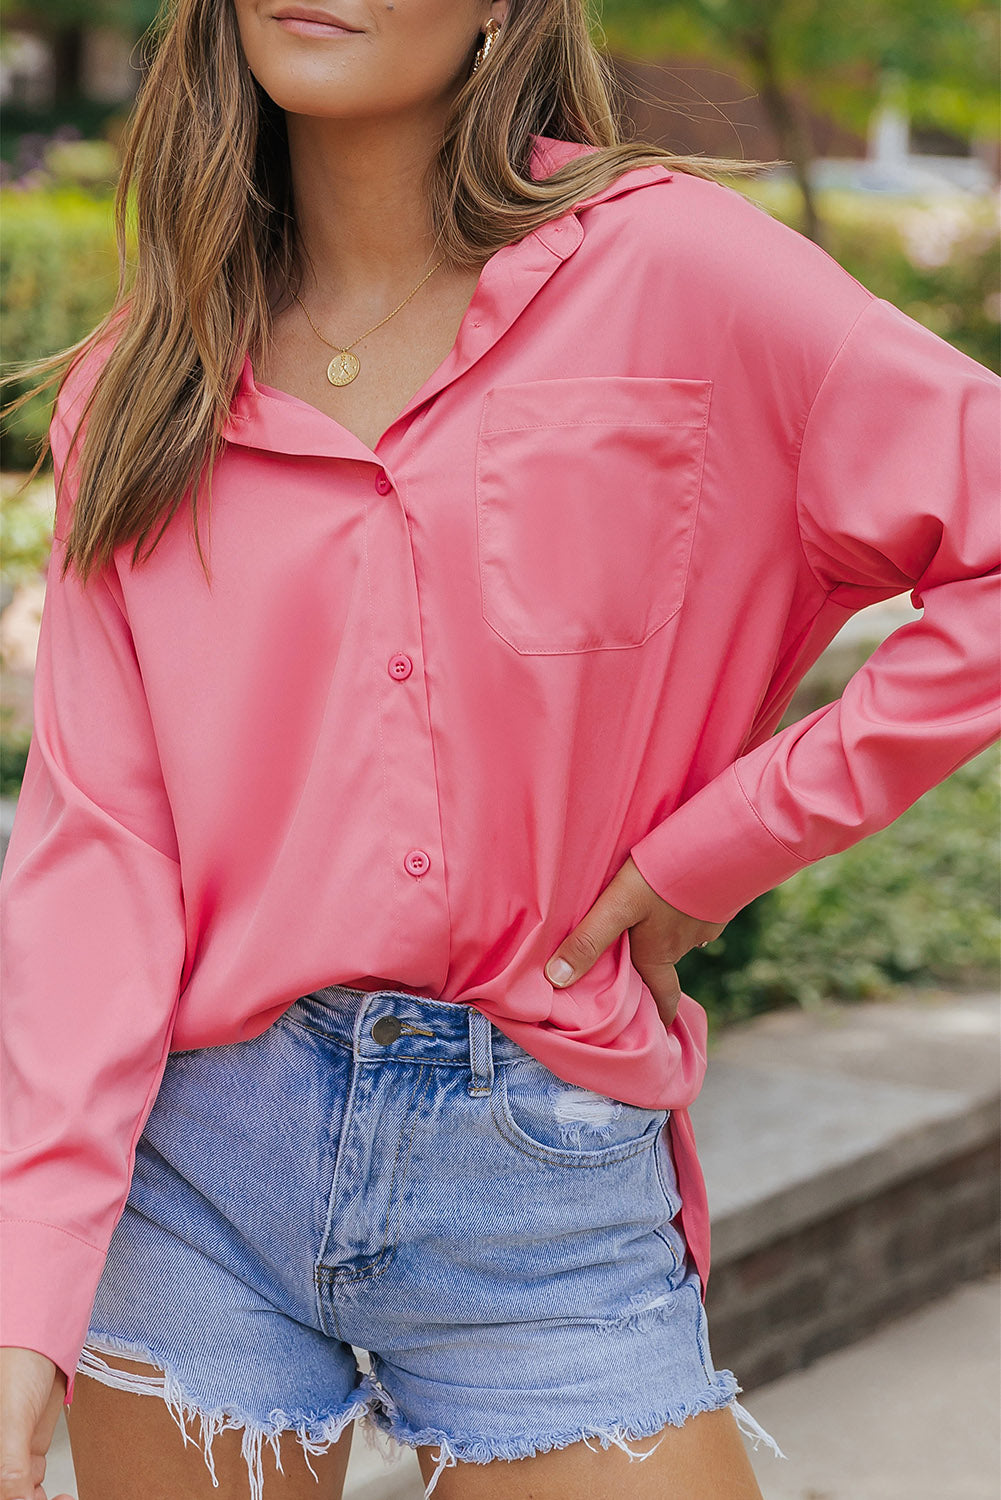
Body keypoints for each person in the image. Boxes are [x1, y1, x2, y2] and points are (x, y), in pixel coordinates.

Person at [1, 0, 998, 1496]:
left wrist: (716, 847)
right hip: (191, 1181)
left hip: (536, 1182)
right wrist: (25, 1294)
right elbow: (97, 858)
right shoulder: (140, 389)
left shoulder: (673, 271)